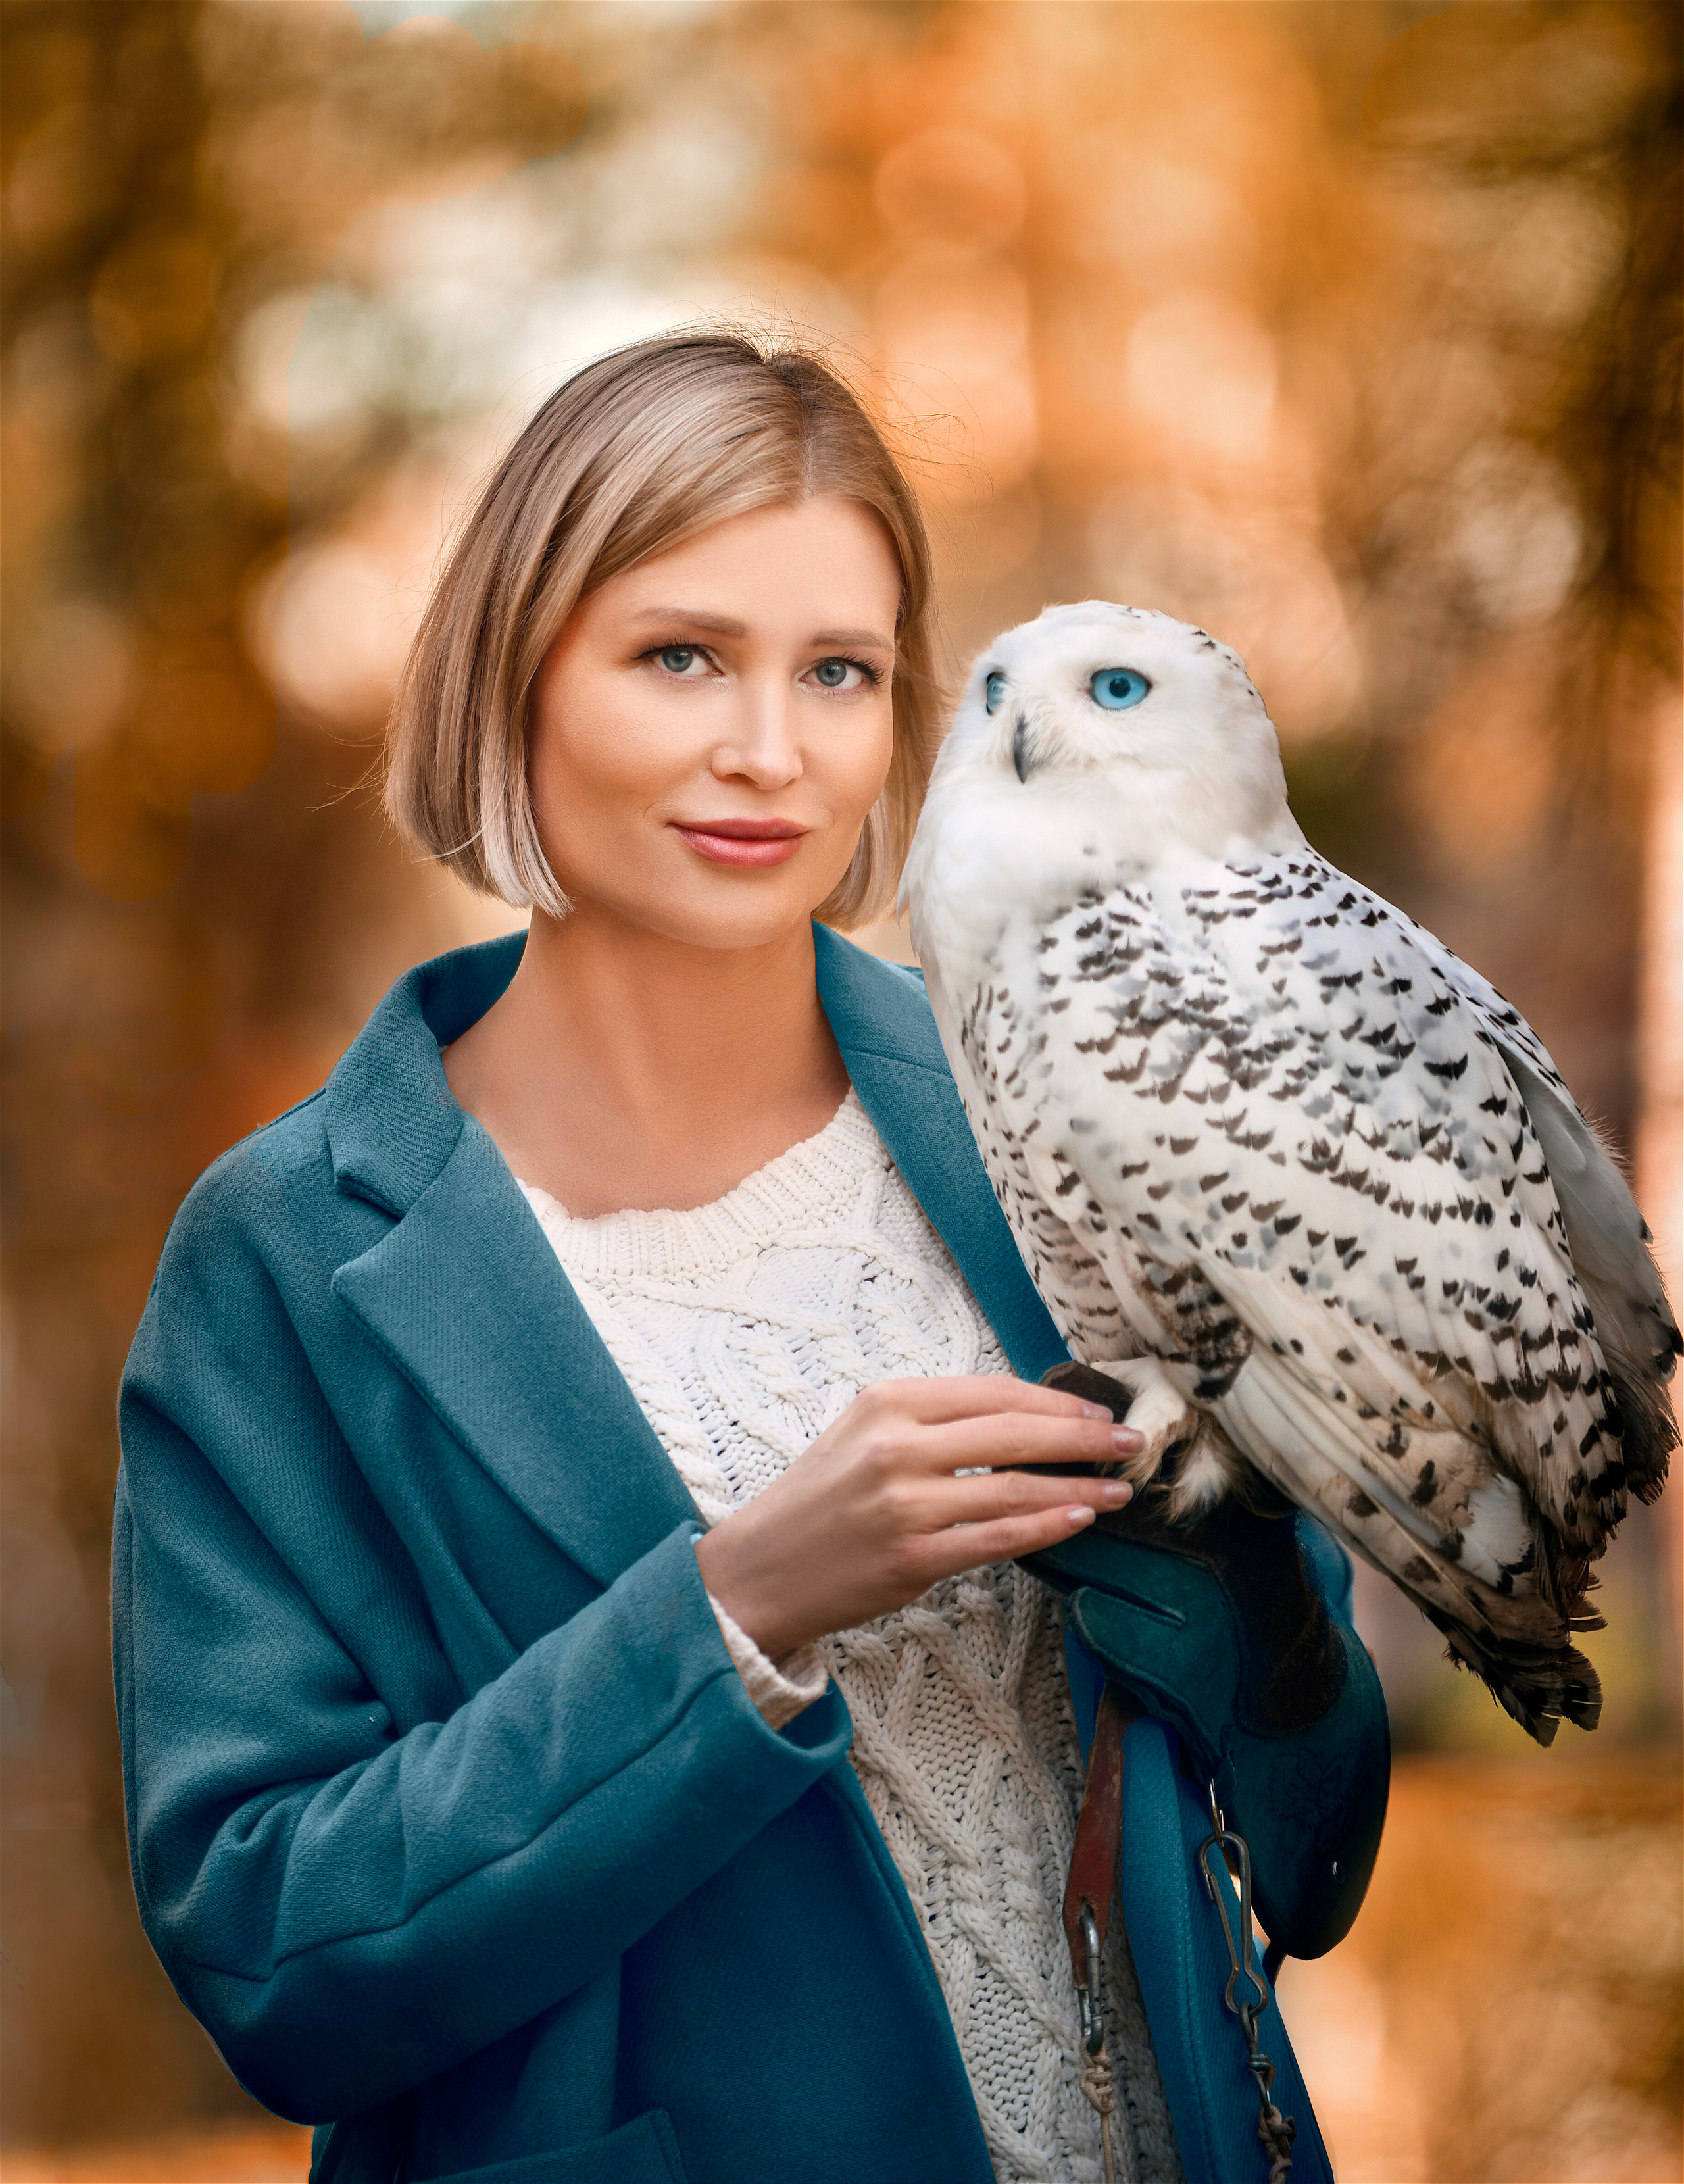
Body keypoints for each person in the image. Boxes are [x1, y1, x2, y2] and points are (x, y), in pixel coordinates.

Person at [114, 332, 1199, 2184]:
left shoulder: (1055, 1119)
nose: (770, 752)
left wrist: (1231, 1538)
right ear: (511, 680)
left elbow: (1307, 1778)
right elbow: (267, 1951)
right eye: (680, 655)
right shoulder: (286, 1247)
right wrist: (735, 1610)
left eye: (838, 672)